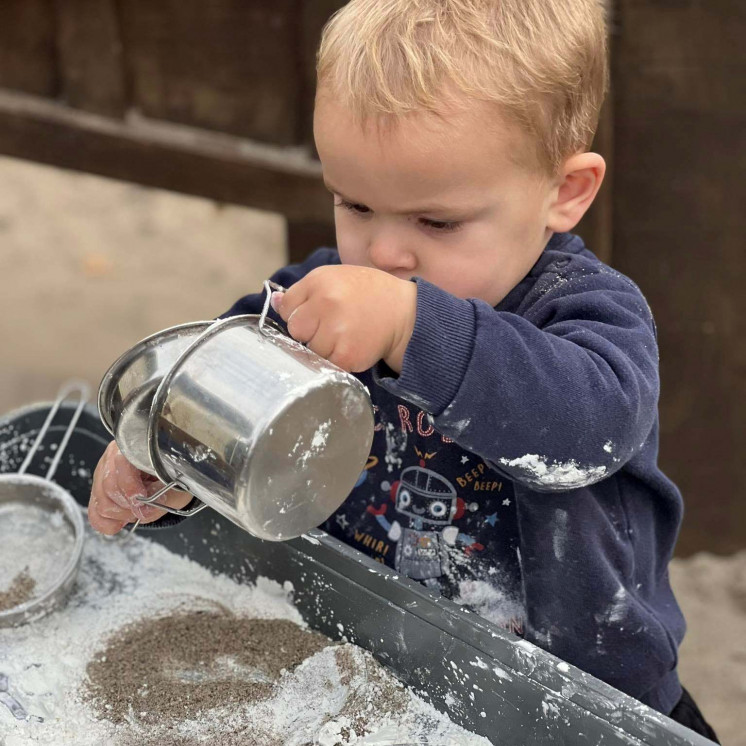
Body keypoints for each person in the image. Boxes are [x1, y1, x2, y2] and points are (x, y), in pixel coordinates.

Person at [88, 0, 719, 739]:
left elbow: (590, 429)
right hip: (380, 655)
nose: (383, 255)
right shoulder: (326, 295)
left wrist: (413, 325)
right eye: (354, 203)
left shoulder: (587, 316)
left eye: (436, 222)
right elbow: (233, 401)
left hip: (578, 694)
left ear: (564, 192)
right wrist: (169, 455)